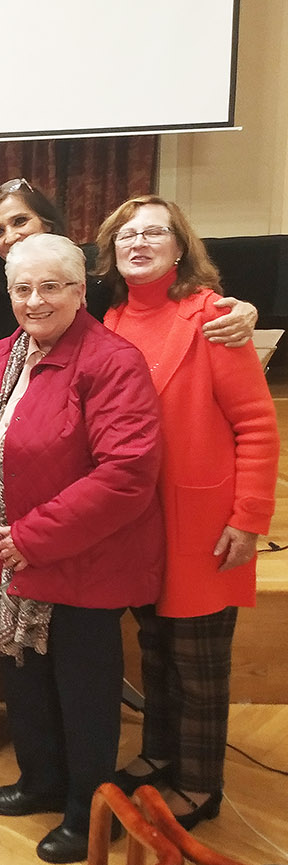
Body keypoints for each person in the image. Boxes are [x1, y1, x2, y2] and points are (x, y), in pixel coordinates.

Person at [0, 233, 164, 863]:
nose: (35, 300)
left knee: (85, 696)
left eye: (51, 287)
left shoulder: (111, 361)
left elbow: (126, 474)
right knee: (26, 683)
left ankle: (90, 814)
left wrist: (31, 537)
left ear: (80, 291)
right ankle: (41, 781)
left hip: (83, 565)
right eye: (23, 288)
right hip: (11, 564)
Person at [96, 196, 279, 831]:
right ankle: (159, 755)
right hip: (139, 524)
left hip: (203, 522)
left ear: (180, 248)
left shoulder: (214, 318)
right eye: (127, 234)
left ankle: (200, 785)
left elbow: (256, 424)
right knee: (155, 650)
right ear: (112, 250)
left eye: (155, 232)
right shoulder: (112, 321)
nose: (139, 242)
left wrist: (249, 517)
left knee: (199, 665)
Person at [0, 181, 256, 345]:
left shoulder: (97, 269)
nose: (11, 236)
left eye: (20, 221)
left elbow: (165, 294)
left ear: (47, 223)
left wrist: (243, 311)